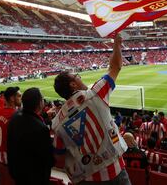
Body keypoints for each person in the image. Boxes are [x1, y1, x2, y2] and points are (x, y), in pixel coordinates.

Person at [52, 34, 130, 184]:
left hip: (86, 179)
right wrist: (117, 44)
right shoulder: (95, 94)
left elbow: (60, 155)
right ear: (73, 85)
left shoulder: (56, 123)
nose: (79, 78)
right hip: (114, 173)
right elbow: (116, 67)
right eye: (77, 76)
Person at [7, 87, 53, 184]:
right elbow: (49, 160)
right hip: (35, 178)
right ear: (40, 103)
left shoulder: (14, 117)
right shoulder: (41, 128)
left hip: (17, 174)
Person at [0, 87, 21, 164]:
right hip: (11, 161)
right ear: (12, 98)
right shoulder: (17, 116)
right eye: (19, 96)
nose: (21, 98)